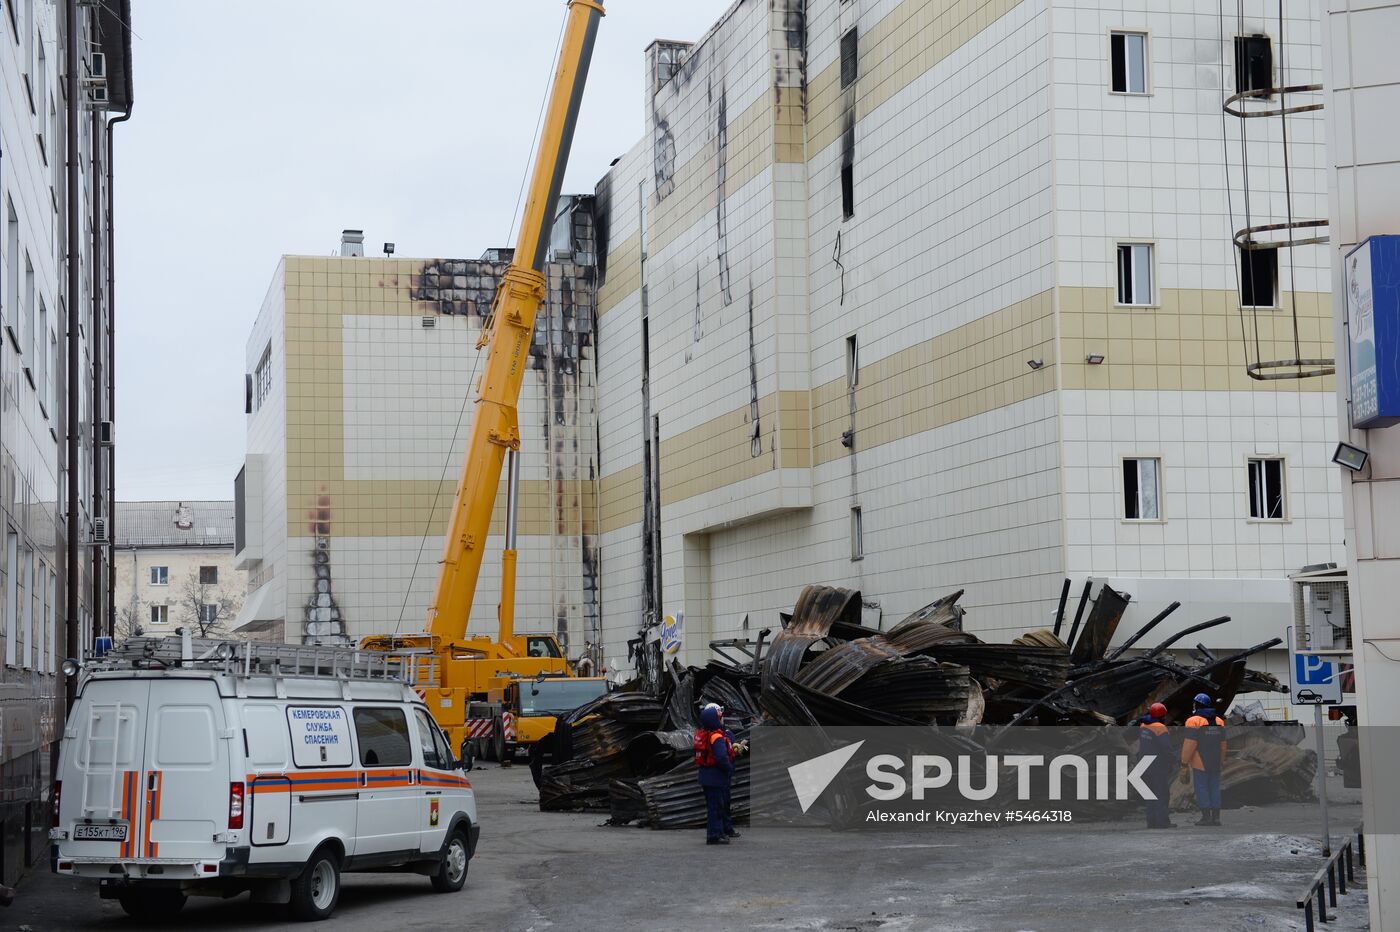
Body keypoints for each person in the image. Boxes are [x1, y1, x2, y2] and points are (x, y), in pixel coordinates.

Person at [1181, 693, 1227, 826]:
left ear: (1197, 705)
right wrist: (1221, 760)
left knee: (1202, 788)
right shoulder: (1219, 721)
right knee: (1215, 788)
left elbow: (1190, 744)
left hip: (1200, 761)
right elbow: (1223, 744)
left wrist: (1184, 762)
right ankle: (1216, 818)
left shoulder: (1193, 721)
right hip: (1216, 761)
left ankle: (1206, 818)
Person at [695, 704, 734, 845]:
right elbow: (721, 757)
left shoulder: (705, 734)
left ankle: (717, 833)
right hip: (715, 777)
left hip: (706, 776)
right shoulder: (716, 737)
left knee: (714, 806)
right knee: (716, 807)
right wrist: (729, 768)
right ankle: (714, 835)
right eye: (720, 717)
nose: (722, 719)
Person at [1138, 702, 1174, 829]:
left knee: (1150, 794)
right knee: (1161, 793)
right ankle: (1162, 822)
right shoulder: (1160, 728)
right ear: (1162, 716)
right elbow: (1166, 748)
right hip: (1157, 765)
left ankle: (1151, 821)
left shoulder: (1143, 725)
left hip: (1144, 763)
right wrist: (1171, 761)